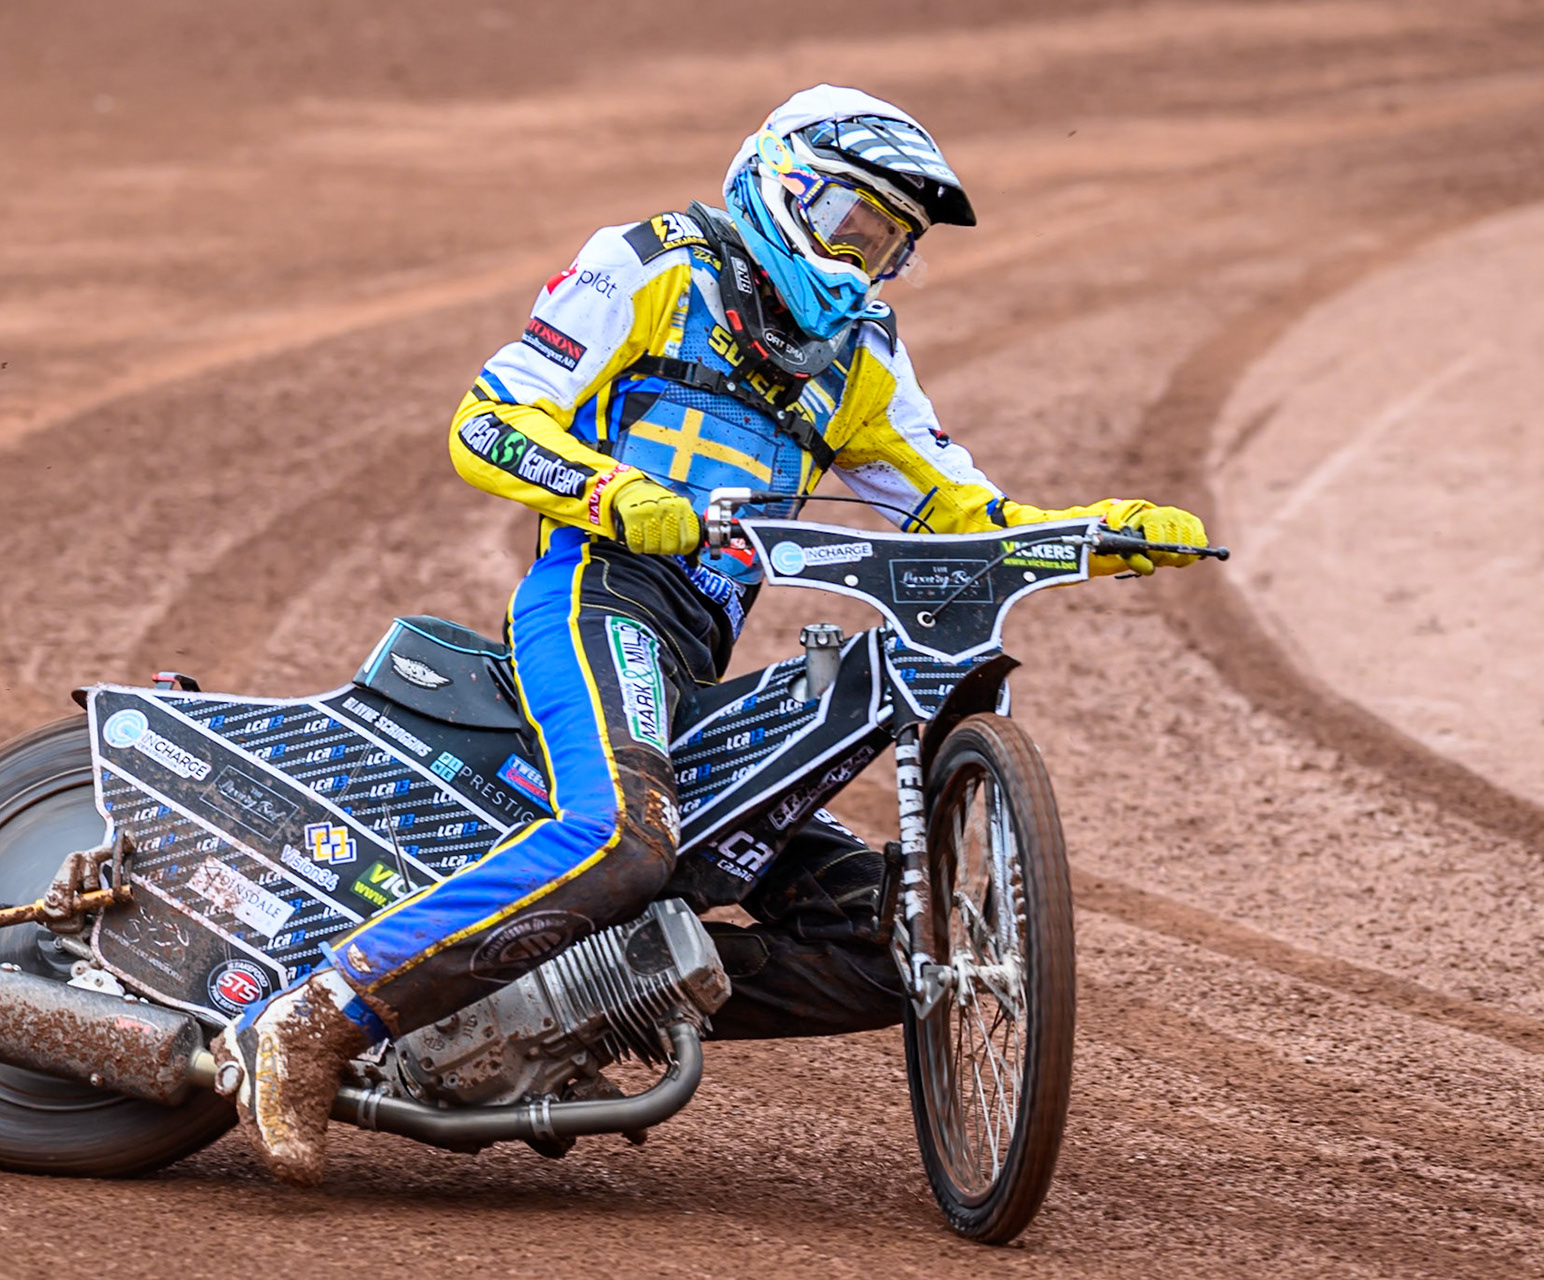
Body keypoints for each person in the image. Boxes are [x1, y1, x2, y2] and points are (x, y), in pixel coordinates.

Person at [214, 83, 1209, 1185]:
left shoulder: (861, 357)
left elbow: (959, 511)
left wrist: (1092, 536)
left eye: (890, 247)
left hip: (689, 658)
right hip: (597, 597)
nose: (865, 262)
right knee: (624, 836)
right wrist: (608, 492)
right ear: (781, 184)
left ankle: (569, 1006)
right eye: (852, 225)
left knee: (903, 944)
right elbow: (488, 417)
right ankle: (309, 1020)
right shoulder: (654, 263)